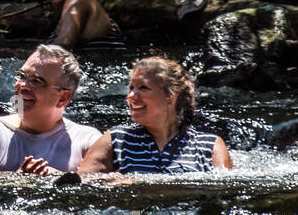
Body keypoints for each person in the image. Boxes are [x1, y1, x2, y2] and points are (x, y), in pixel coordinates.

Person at [0, 44, 101, 175]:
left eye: (36, 81)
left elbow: (105, 187)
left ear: (63, 98)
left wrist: (58, 178)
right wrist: (18, 180)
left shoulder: (87, 140)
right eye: (21, 76)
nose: (22, 85)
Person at [77, 56, 231, 174]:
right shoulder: (116, 138)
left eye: (143, 88)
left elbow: (226, 193)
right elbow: (82, 184)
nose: (131, 96)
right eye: (131, 88)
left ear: (171, 95)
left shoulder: (210, 145)